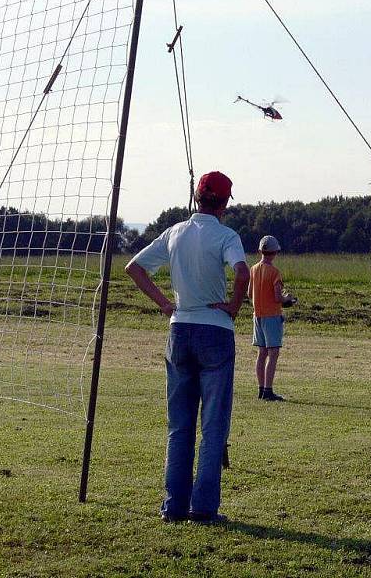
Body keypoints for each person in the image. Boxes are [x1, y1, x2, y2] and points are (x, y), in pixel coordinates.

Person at [125, 171, 249, 524]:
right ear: (224, 203)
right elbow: (242, 273)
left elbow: (134, 268)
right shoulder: (227, 235)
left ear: (197, 197)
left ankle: (173, 506)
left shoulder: (174, 232)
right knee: (213, 427)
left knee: (179, 425)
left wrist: (165, 304)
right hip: (215, 332)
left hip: (179, 330)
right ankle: (204, 508)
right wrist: (234, 307)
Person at [248, 235, 296, 402]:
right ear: (275, 252)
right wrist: (287, 298)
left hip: (257, 316)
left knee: (261, 353)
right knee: (273, 353)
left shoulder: (253, 269)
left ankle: (261, 389)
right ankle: (268, 390)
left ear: (260, 251)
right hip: (271, 316)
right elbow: (277, 297)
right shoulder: (275, 272)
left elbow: (249, 293)